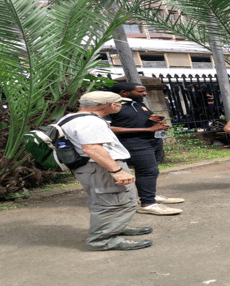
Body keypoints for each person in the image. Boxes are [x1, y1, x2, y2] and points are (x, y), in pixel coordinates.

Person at [60, 91, 153, 251]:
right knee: (114, 204)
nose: (121, 105)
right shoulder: (91, 122)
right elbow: (92, 148)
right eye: (119, 102)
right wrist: (116, 170)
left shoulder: (71, 118)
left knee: (109, 201)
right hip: (101, 168)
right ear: (110, 105)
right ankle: (102, 240)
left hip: (92, 168)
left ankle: (115, 227)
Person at [108, 82, 184, 216]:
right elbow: (108, 128)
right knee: (148, 171)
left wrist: (153, 119)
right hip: (134, 143)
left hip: (152, 141)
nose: (145, 93)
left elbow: (136, 118)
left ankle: (149, 195)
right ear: (124, 92)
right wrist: (147, 129)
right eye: (141, 91)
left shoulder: (137, 103)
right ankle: (147, 204)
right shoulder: (112, 106)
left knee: (151, 171)